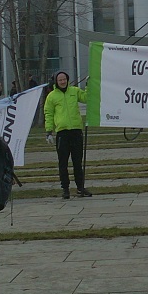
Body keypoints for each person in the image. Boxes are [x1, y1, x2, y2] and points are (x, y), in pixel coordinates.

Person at [44, 70, 91, 199]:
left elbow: (87, 98)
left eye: (64, 79)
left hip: (76, 131)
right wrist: (49, 131)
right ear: (56, 82)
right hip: (62, 133)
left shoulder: (74, 91)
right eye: (60, 80)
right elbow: (48, 114)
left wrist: (89, 84)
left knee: (77, 162)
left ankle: (80, 188)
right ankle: (65, 189)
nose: (63, 81)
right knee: (63, 163)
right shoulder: (52, 96)